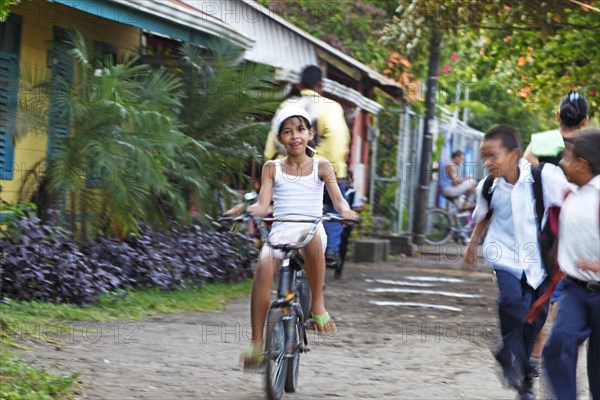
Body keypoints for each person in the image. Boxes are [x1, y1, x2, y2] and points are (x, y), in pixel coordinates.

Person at [229, 105, 357, 368]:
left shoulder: (322, 166)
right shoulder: (271, 167)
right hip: (282, 229)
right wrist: (245, 208)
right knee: (264, 266)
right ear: (280, 138)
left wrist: (347, 212)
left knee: (315, 242)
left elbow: (338, 201)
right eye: (287, 132)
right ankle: (256, 343)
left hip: (311, 227)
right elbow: (263, 206)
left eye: (300, 130)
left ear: (311, 134)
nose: (294, 136)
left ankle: (318, 306)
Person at [463, 124, 569, 400]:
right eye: (483, 156)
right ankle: (513, 362)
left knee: (534, 318)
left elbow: (568, 204)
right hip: (504, 253)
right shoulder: (487, 186)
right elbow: (484, 215)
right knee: (512, 302)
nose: (487, 162)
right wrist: (473, 243)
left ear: (514, 155)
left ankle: (521, 378)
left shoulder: (544, 177)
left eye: (492, 155)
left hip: (538, 258)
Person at [265, 65, 351, 269]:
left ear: (299, 85)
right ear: (320, 86)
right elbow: (337, 144)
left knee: (274, 208)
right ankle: (330, 250)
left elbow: (271, 143)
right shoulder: (331, 106)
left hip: (285, 172)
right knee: (334, 206)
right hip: (323, 174)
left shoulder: (286, 106)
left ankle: (273, 249)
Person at [542, 130, 600, 400]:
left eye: (567, 157)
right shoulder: (571, 194)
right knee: (559, 344)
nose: (562, 163)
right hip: (575, 289)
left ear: (583, 164)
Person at [524, 90, 589, 166]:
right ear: (584, 120)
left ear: (557, 116)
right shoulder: (592, 147)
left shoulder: (539, 141)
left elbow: (526, 172)